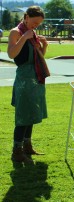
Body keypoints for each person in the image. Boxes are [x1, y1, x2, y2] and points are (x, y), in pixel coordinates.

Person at [7, 6, 49, 164]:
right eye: (34, 22)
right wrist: (24, 37)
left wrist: (43, 46)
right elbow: (11, 54)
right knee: (23, 115)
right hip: (24, 80)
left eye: (38, 23)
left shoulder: (33, 34)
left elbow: (38, 58)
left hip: (36, 78)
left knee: (31, 113)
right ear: (26, 17)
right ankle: (17, 152)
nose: (36, 25)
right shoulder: (16, 32)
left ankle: (27, 146)